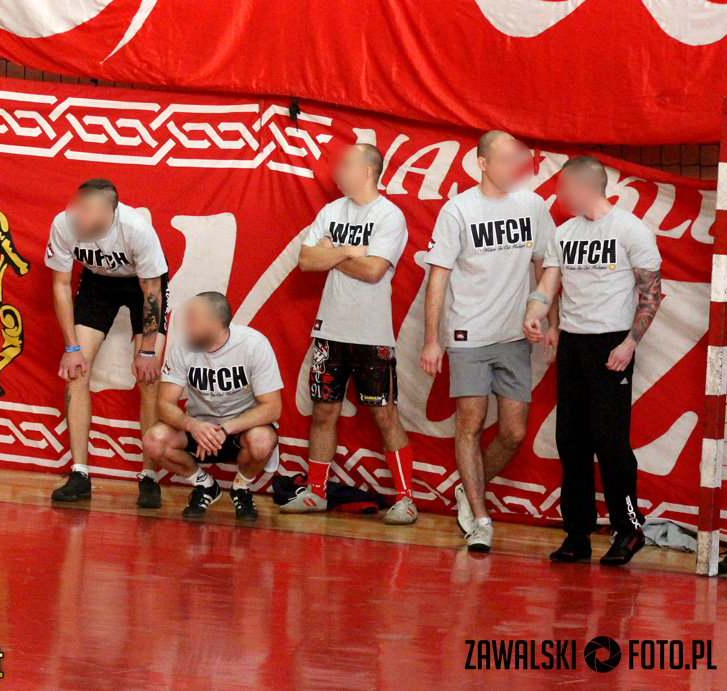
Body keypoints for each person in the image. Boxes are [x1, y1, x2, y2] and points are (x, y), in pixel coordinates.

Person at [420, 130, 557, 552]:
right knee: (471, 424)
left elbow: (547, 266)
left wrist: (549, 319)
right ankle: (480, 519)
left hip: (514, 336)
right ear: (482, 163)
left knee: (513, 432)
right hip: (468, 336)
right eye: (505, 159)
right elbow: (438, 278)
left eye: (517, 158)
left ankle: (468, 488)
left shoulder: (533, 205)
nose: (514, 166)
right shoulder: (458, 210)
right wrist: (432, 340)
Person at [524, 155, 661, 566]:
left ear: (587, 187)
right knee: (571, 440)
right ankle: (577, 532)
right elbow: (549, 283)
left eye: (564, 187)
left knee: (610, 441)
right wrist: (535, 311)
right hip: (573, 343)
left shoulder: (630, 230)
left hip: (611, 344)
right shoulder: (564, 232)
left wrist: (629, 344)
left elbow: (651, 294)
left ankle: (629, 529)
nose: (559, 195)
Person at [279, 144, 417, 525]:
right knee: (323, 411)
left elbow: (374, 271)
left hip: (373, 335)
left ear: (368, 171)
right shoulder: (330, 211)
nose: (338, 170)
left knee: (385, 414)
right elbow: (306, 260)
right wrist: (352, 251)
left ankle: (406, 499)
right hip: (330, 330)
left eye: (346, 164)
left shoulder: (389, 215)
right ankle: (316, 492)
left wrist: (333, 253)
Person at [46, 179, 169, 509]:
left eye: (88, 210)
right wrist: (72, 348)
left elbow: (152, 292)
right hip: (98, 283)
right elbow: (60, 285)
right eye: (78, 206)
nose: (79, 215)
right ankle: (80, 473)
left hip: (141, 285)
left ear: (110, 213)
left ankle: (149, 476)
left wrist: (146, 352)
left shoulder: (136, 230)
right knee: (76, 372)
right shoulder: (64, 224)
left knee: (148, 377)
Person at [143, 293, 283, 521]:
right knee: (153, 440)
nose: (185, 325)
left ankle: (241, 488)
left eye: (192, 319)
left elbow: (272, 408)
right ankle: (205, 485)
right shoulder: (182, 346)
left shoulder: (254, 344)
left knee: (262, 441)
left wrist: (227, 428)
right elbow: (164, 405)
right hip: (200, 428)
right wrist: (192, 425)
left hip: (241, 429)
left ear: (215, 323)